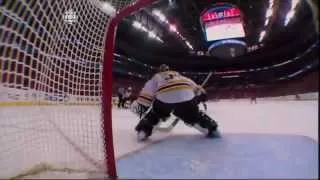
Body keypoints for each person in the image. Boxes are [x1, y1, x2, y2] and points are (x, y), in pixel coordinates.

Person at [134, 64, 219, 141]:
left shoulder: (157, 76)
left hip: (165, 97)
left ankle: (144, 130)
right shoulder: (179, 75)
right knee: (193, 114)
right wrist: (200, 97)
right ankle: (212, 128)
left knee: (156, 113)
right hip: (186, 95)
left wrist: (143, 105)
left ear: (160, 70)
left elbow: (147, 93)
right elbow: (200, 90)